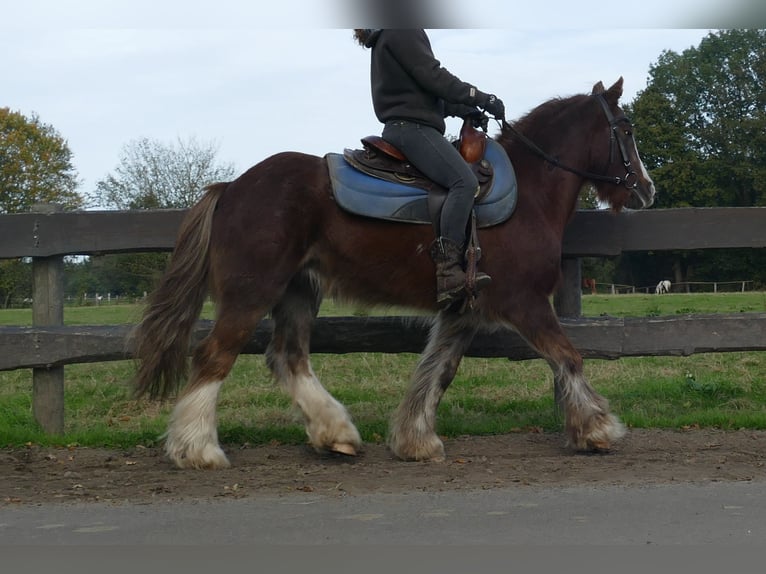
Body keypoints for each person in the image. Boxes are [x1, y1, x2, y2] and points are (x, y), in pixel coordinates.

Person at [353, 28, 505, 308]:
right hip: (412, 129)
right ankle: (448, 272)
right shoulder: (402, 29)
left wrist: (465, 109)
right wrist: (480, 97)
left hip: (408, 126)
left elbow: (427, 91)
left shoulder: (393, 32)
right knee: (464, 183)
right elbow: (434, 76)